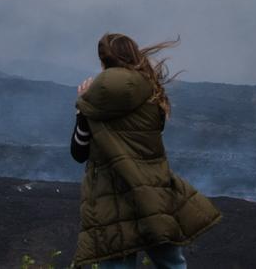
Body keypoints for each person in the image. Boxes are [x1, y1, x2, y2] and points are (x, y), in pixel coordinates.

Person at [71, 33, 221, 269]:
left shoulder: (94, 100)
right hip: (152, 193)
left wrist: (82, 108)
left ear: (103, 60)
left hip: (110, 198)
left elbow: (79, 152)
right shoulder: (152, 93)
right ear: (134, 54)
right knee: (172, 264)